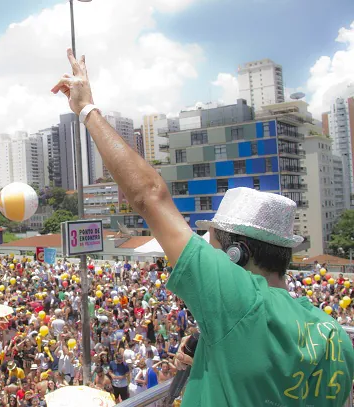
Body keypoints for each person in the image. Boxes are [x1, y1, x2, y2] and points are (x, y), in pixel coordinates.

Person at [52, 48, 354, 406]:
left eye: (208, 241)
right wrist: (213, 348)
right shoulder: (336, 335)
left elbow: (150, 194)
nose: (200, 247)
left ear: (235, 252)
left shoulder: (239, 304)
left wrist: (87, 109)